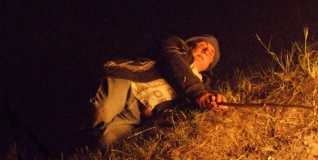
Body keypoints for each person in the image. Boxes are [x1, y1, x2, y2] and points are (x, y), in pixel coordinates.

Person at [88, 34, 228, 146]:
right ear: (190, 44)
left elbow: (207, 94)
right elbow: (172, 59)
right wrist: (198, 93)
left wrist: (214, 100)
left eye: (211, 53)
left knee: (102, 143)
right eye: (204, 44)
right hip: (127, 84)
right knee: (97, 112)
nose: (206, 51)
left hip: (136, 115)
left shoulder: (202, 84)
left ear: (209, 66)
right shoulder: (175, 45)